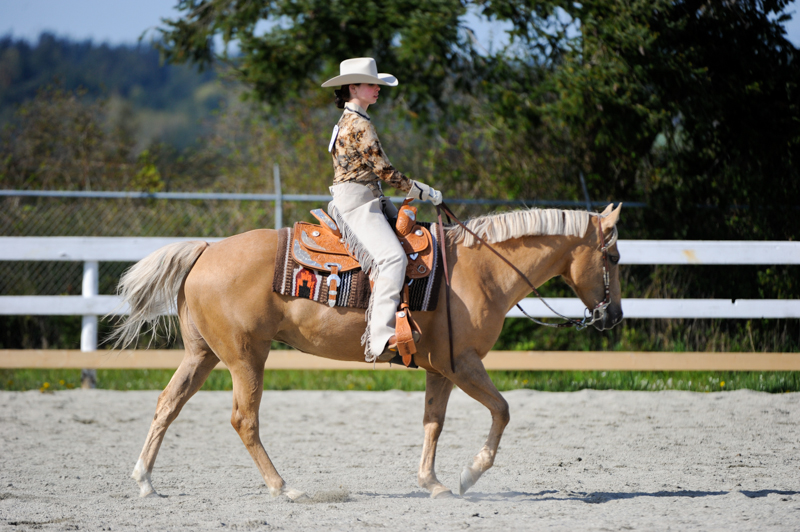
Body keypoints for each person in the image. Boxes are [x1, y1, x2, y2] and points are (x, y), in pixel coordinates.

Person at [321, 57, 443, 362]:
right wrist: (421, 190)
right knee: (392, 258)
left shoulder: (347, 121)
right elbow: (386, 171)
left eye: (377, 84)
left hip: (366, 197)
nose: (377, 89)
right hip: (358, 203)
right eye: (372, 84)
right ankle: (380, 335)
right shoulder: (360, 124)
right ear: (353, 87)